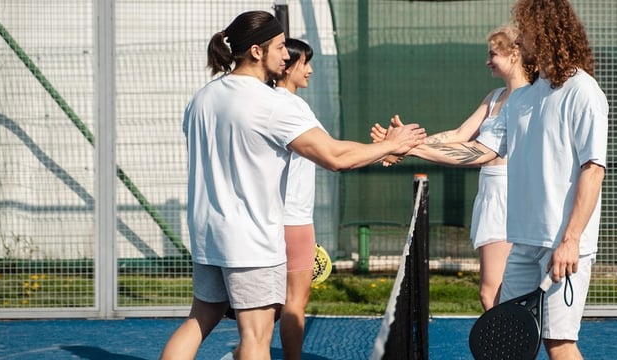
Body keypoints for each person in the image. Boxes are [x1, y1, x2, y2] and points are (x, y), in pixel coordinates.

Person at [159, 10, 426, 360]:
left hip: (208, 235)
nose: (288, 56)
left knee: (200, 319)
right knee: (256, 336)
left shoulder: (202, 99)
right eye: (281, 46)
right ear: (257, 51)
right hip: (251, 241)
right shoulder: (273, 105)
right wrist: (391, 145)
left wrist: (381, 149)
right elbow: (334, 157)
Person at [371, 26, 529, 310]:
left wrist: (406, 147)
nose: (487, 61)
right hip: (491, 195)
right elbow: (459, 134)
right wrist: (403, 143)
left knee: (494, 293)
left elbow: (479, 153)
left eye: (492, 54)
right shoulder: (494, 96)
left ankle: (507, 349)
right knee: (499, 292)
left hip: (511, 197)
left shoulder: (527, 99)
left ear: (514, 53)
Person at [273, 38, 319, 360]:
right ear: (288, 66)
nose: (311, 70)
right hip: (295, 220)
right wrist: (387, 148)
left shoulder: (272, 102)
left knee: (269, 305)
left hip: (279, 219)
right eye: (306, 63)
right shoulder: (291, 106)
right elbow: (333, 153)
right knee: (294, 303)